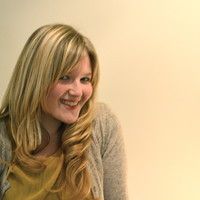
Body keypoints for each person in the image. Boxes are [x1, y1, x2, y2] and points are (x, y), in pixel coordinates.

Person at [0, 24, 127, 200]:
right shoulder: (3, 137)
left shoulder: (102, 123)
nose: (77, 92)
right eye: (64, 77)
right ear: (35, 79)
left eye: (85, 79)